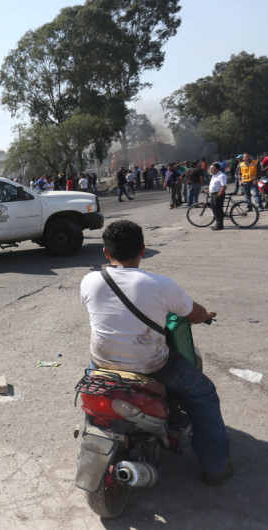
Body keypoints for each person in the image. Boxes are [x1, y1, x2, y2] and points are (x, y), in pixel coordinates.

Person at [80, 220, 231, 486]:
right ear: (143, 250)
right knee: (204, 394)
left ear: (106, 252)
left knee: (93, 389)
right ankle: (215, 467)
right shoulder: (161, 285)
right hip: (152, 366)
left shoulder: (90, 280)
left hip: (103, 363)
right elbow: (193, 314)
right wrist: (205, 315)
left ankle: (97, 426)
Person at [206, 163, 228, 231]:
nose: (210, 170)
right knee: (215, 209)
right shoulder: (214, 175)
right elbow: (214, 185)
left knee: (218, 210)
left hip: (218, 195)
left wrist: (218, 195)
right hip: (213, 194)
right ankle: (217, 222)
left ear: (216, 169)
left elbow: (224, 186)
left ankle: (220, 225)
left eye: (211, 168)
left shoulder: (221, 175)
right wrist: (208, 190)